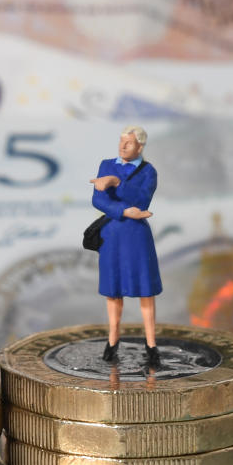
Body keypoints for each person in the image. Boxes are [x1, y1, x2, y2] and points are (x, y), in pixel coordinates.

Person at [90, 125, 163, 367]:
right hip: (112, 234)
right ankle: (112, 339)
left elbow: (142, 199)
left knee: (145, 290)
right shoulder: (106, 164)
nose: (122, 147)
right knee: (113, 289)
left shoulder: (149, 171)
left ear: (140, 146)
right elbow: (98, 199)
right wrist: (123, 211)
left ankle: (151, 343)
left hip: (137, 237)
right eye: (121, 142)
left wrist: (115, 182)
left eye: (128, 143)